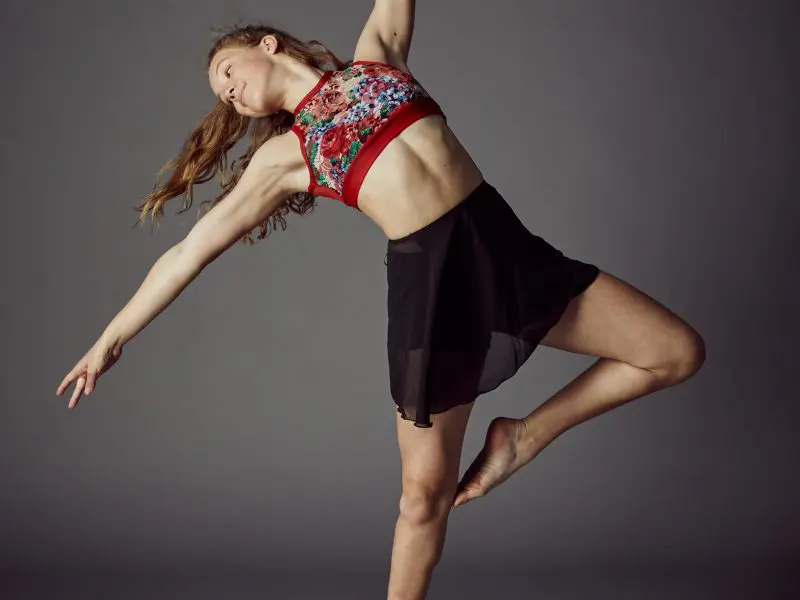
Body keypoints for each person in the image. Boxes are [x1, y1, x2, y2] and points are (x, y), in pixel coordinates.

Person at [56, 3, 706, 599]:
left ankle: (522, 437)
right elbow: (187, 253)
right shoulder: (285, 157)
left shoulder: (378, 59)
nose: (228, 91)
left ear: (266, 43)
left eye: (227, 70)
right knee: (422, 497)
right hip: (434, 291)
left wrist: (530, 433)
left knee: (674, 352)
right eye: (222, 93)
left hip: (505, 253)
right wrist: (109, 338)